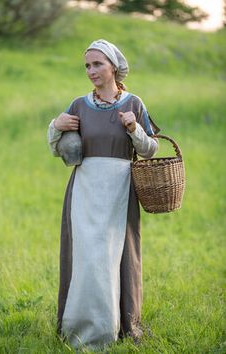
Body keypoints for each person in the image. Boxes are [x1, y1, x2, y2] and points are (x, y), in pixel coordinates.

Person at [47, 39, 160, 350]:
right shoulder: (79, 105)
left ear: (113, 66)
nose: (91, 71)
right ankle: (79, 326)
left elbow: (151, 149)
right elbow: (60, 150)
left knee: (119, 255)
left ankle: (122, 325)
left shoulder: (134, 103)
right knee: (85, 256)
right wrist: (55, 126)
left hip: (120, 188)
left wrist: (135, 128)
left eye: (97, 64)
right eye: (87, 65)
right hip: (84, 188)